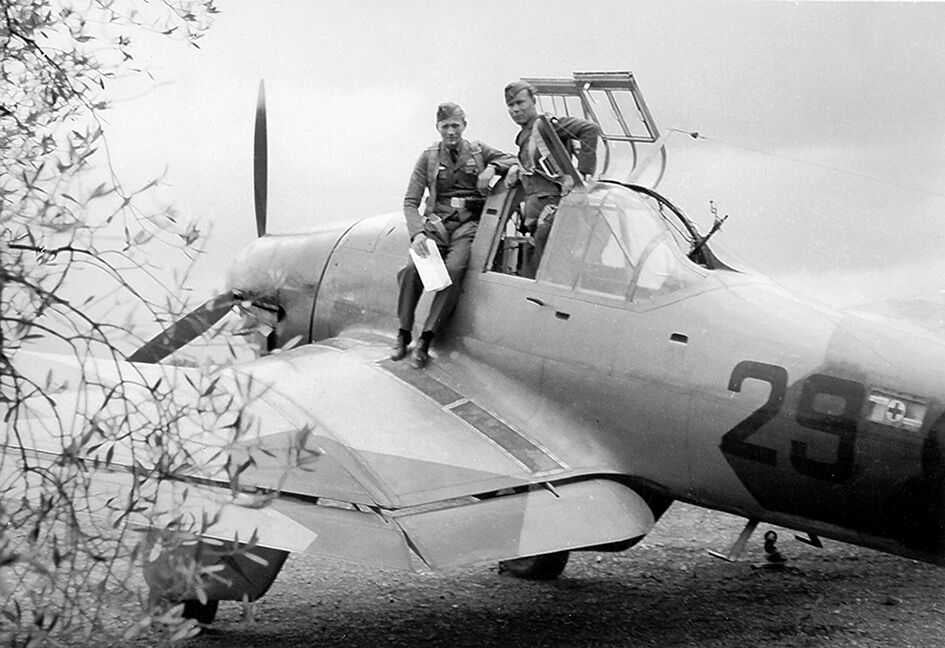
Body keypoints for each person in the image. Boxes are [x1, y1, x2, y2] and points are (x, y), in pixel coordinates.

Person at [392, 102, 516, 368]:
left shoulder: (478, 151)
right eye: (446, 126)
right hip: (436, 226)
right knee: (412, 270)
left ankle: (426, 338)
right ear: (438, 127)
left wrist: (492, 168)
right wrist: (417, 234)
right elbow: (410, 202)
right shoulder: (428, 157)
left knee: (453, 271)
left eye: (455, 126)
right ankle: (403, 333)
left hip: (467, 226)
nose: (451, 132)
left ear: (464, 126)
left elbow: (512, 159)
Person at [503, 80, 600, 277]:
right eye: (511, 105)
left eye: (520, 103)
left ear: (533, 101)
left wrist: (582, 174)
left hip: (558, 212)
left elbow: (590, 129)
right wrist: (515, 167)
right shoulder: (524, 135)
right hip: (538, 215)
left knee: (551, 272)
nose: (516, 109)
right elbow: (533, 167)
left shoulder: (546, 125)